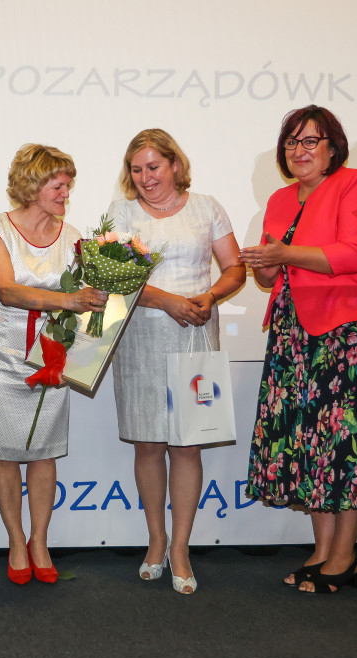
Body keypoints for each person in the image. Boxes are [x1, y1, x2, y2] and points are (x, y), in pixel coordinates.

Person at [240, 105, 357, 594]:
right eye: (291, 142)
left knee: (348, 443)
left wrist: (284, 254)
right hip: (294, 333)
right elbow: (271, 272)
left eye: (310, 141)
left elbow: (355, 254)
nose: (299, 150)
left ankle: (345, 556)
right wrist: (264, 266)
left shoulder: (354, 182)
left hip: (348, 333)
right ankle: (322, 550)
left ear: (333, 147)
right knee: (310, 442)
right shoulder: (279, 199)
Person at [106, 129, 245, 594]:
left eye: (154, 167)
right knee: (147, 444)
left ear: (175, 165)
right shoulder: (121, 213)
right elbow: (115, 279)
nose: (145, 177)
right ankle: (156, 540)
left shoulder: (207, 207)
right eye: (136, 169)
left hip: (194, 337)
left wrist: (209, 295)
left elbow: (235, 268)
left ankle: (181, 547)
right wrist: (166, 300)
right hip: (140, 338)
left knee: (187, 446)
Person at [0, 144, 108, 584]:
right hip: (1, 355)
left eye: (68, 185)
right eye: (57, 185)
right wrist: (70, 300)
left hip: (52, 355)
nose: (66, 193)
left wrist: (95, 317)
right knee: (6, 453)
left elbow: (89, 304)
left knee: (44, 453)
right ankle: (15, 540)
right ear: (32, 185)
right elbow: (7, 291)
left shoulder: (74, 236)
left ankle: (40, 541)